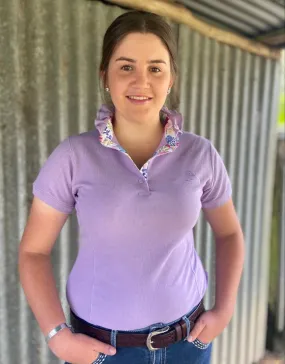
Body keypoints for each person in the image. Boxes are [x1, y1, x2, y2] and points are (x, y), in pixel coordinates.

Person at [18, 10, 245, 364]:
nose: (142, 81)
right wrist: (57, 336)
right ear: (104, 76)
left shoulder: (199, 154)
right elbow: (33, 252)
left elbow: (229, 233)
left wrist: (225, 310)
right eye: (126, 67)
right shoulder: (73, 156)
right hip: (104, 351)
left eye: (156, 68)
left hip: (190, 342)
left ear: (171, 79)